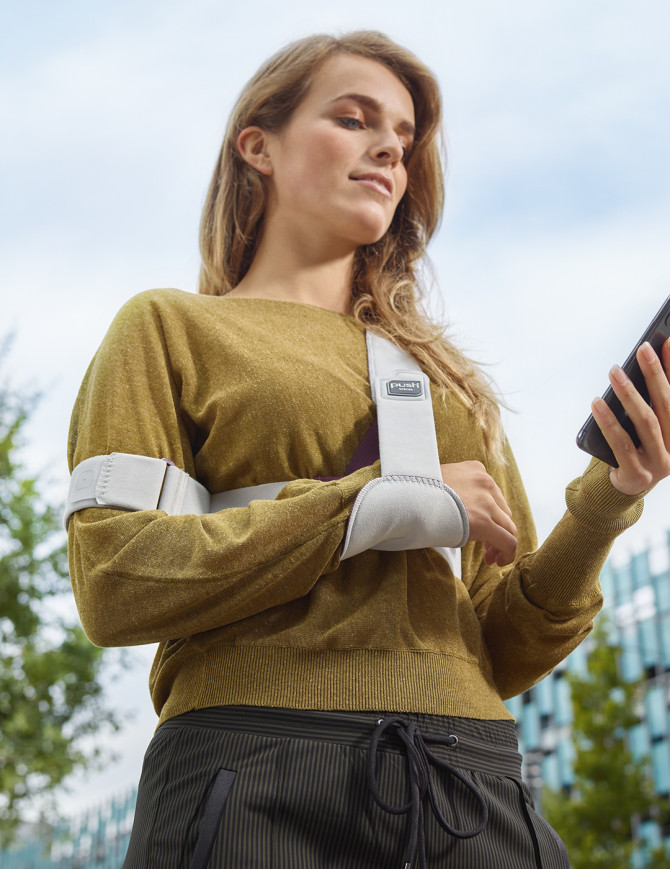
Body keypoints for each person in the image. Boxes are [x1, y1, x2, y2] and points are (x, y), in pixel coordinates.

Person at [66, 31, 670, 869]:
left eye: (404, 137)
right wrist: (372, 504)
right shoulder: (168, 329)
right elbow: (115, 579)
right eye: (354, 119)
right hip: (252, 768)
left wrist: (608, 496)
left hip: (470, 780)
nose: (389, 145)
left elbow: (509, 642)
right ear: (259, 146)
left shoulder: (449, 383)